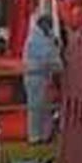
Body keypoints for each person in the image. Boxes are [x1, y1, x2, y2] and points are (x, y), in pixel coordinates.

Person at [22, 13, 62, 144]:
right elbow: (49, 56)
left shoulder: (44, 36)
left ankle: (44, 135)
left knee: (44, 108)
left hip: (42, 77)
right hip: (35, 78)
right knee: (35, 108)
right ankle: (35, 137)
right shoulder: (35, 39)